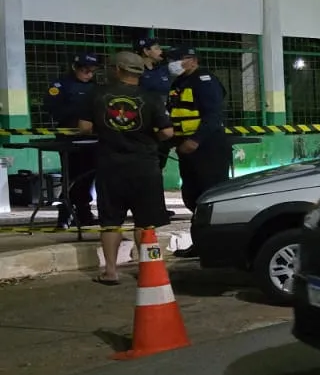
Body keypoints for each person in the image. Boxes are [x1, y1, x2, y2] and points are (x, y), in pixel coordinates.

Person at [78, 51, 173, 284]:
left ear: (118, 69)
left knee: (110, 222)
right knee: (146, 223)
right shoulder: (152, 98)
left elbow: (84, 128)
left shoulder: (97, 94)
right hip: (144, 167)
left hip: (111, 166)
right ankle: (147, 270)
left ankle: (110, 271)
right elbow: (167, 132)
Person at [166, 46, 230, 211]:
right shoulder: (179, 82)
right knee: (191, 190)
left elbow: (213, 115)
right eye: (171, 60)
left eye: (178, 60)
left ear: (193, 61)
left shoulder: (205, 80)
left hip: (207, 146)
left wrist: (195, 139)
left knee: (210, 189)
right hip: (185, 146)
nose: (173, 64)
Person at [46, 53, 101, 228]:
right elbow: (53, 109)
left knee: (89, 175)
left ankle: (84, 213)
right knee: (71, 176)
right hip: (70, 138)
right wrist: (79, 117)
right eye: (85, 70)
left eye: (92, 71)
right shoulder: (61, 85)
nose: (89, 74)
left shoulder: (96, 87)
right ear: (75, 68)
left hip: (92, 138)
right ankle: (65, 215)